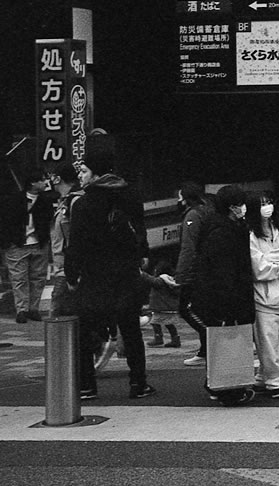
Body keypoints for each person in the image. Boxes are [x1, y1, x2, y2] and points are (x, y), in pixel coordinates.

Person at [67, 142, 155, 401]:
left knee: (85, 332)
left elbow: (76, 244)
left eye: (83, 171)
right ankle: (138, 384)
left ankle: (86, 385)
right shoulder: (130, 195)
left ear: (95, 172)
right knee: (131, 330)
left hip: (95, 277)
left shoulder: (83, 205)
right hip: (125, 275)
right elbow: (140, 232)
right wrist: (142, 257)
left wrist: (72, 275)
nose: (81, 176)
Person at [193, 185, 256, 406]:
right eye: (241, 204)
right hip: (226, 299)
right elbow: (224, 272)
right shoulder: (224, 232)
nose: (244, 208)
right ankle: (228, 389)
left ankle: (220, 385)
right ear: (232, 207)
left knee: (221, 343)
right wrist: (231, 304)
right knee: (226, 343)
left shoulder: (219, 225)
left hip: (220, 298)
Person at [246, 191, 279, 399]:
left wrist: (270, 261)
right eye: (262, 204)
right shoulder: (250, 234)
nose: (267, 207)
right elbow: (258, 268)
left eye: (268, 202)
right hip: (263, 297)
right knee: (267, 342)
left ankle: (262, 376)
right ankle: (276, 381)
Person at [2, 171, 53, 322]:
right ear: (32, 183)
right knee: (19, 279)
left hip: (39, 243)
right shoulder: (14, 200)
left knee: (38, 278)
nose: (45, 183)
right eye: (42, 180)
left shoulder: (45, 200)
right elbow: (6, 222)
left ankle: (33, 309)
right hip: (18, 244)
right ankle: (21, 310)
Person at [176, 181, 214, 366]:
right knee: (203, 310)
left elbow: (188, 246)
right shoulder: (208, 210)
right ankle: (204, 349)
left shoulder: (193, 215)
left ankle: (209, 343)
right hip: (208, 269)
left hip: (194, 271)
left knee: (187, 309)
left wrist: (181, 274)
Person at [46, 163, 84, 318]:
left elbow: (74, 237)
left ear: (58, 178)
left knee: (57, 311)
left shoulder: (75, 201)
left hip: (69, 266)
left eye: (52, 176)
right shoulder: (64, 201)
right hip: (63, 265)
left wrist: (72, 269)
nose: (49, 180)